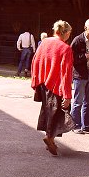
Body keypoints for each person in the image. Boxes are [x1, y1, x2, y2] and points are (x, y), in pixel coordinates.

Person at [31, 20, 75, 156]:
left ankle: (50, 138)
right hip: (57, 85)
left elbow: (35, 61)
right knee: (57, 113)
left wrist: (35, 80)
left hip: (43, 83)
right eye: (69, 33)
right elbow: (66, 73)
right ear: (66, 33)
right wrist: (67, 95)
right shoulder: (65, 48)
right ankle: (49, 138)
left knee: (48, 111)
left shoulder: (45, 42)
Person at [70, 19, 89, 135]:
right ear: (85, 27)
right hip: (80, 75)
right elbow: (71, 58)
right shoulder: (78, 40)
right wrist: (86, 56)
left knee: (88, 102)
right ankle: (75, 125)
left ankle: (87, 126)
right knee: (78, 102)